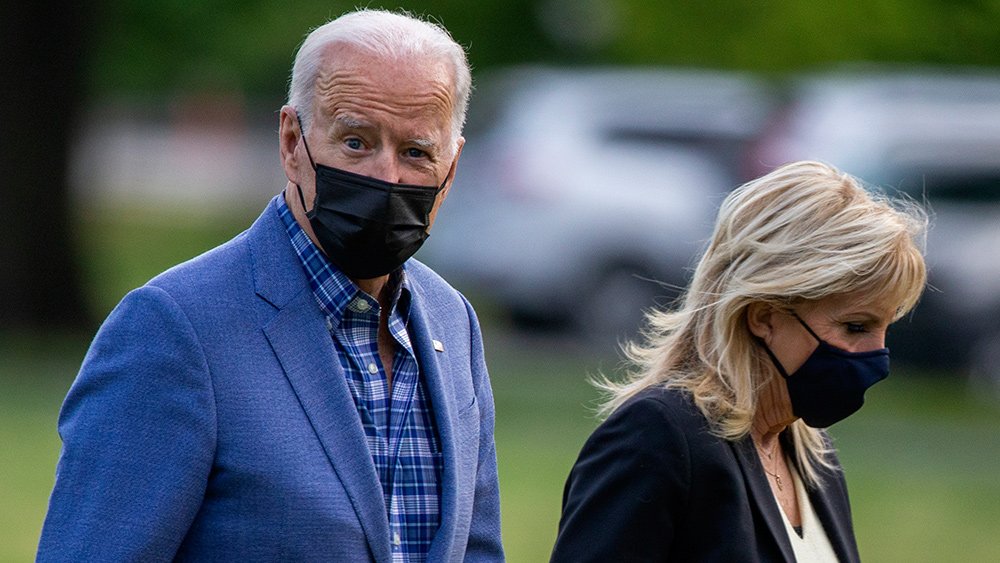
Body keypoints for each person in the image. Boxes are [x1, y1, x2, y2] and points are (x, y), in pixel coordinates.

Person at [37, 10, 503, 563]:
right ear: (291, 141)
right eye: (356, 142)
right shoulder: (174, 328)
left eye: (416, 153)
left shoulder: (452, 321)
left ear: (452, 166)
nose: (386, 177)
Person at [550, 161, 927, 562]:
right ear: (763, 316)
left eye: (885, 327)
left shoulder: (812, 453)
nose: (877, 355)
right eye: (855, 327)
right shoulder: (658, 434)